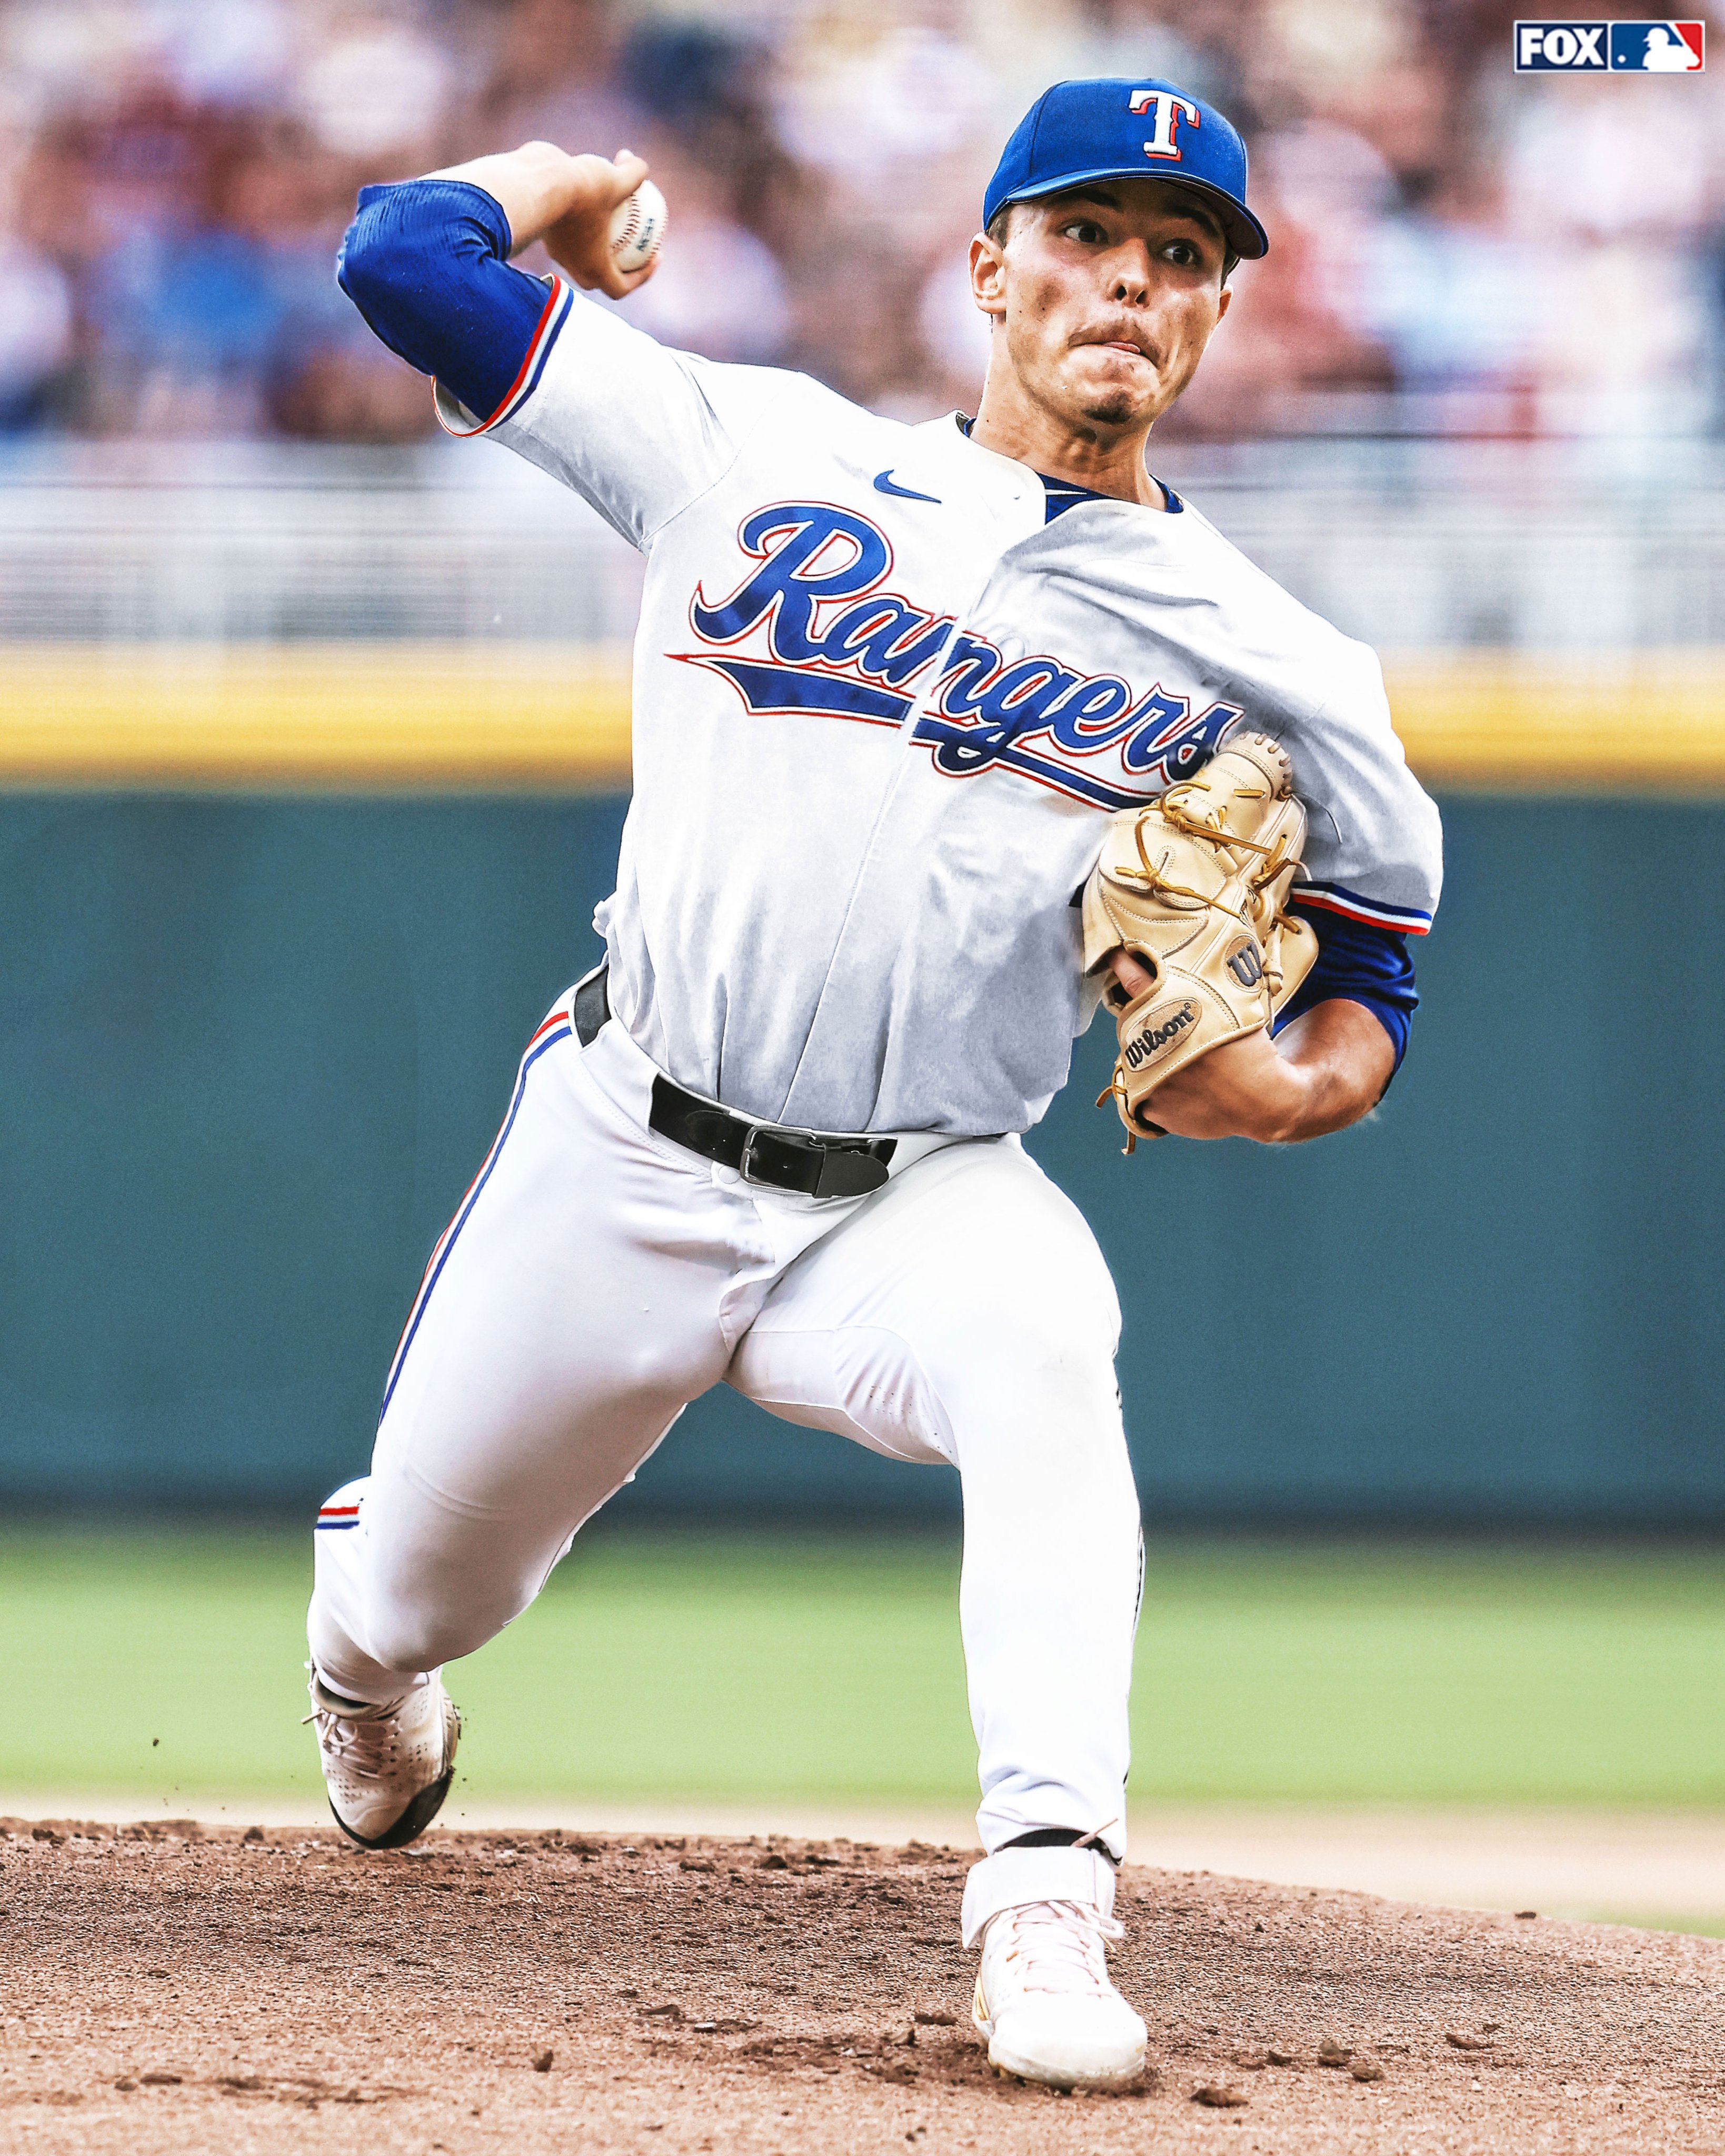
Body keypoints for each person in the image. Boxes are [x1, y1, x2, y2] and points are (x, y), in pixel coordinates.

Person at [306, 77, 1441, 2092]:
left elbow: (1378, 941)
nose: (1132, 282)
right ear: (986, 263)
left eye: (1184, 257)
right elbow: (405, 260)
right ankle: (362, 1652)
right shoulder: (753, 449)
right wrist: (570, 184)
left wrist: (1315, 1083)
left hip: (916, 1193)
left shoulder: (1281, 661)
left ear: (1215, 319)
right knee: (418, 1603)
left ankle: (1047, 1899)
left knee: (1049, 1342)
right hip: (626, 1147)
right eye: (1087, 235)